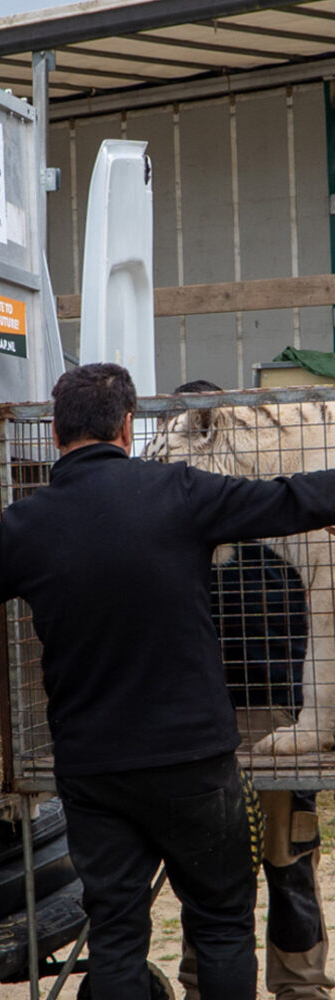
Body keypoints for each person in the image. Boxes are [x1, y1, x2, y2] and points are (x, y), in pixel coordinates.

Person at [0, 362, 335, 1000]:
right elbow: (292, 498)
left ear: (53, 433)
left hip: (93, 768)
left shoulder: (26, 525)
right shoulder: (179, 491)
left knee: (118, 933)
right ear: (127, 426)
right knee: (221, 922)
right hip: (193, 760)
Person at [172, 380, 333, 1000]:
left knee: (287, 855)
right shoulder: (192, 517)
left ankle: (300, 984)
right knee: (208, 864)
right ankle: (202, 982)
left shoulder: (272, 506)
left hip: (274, 714)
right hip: (207, 720)